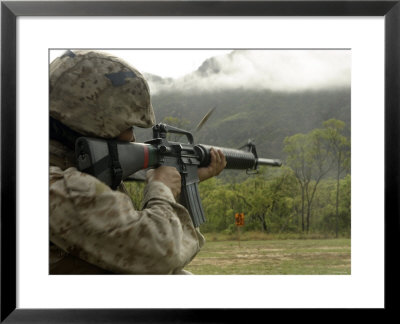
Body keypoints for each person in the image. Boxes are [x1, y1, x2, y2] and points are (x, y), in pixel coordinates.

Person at [49, 50, 226, 274]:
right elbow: (161, 253)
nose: (132, 138)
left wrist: (182, 181)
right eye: (127, 127)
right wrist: (161, 189)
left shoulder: (72, 168)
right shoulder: (59, 185)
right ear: (95, 122)